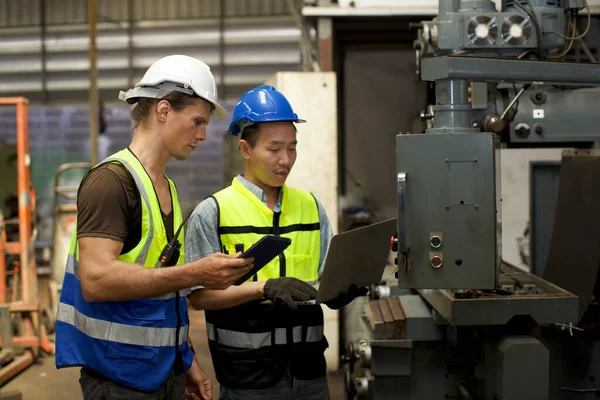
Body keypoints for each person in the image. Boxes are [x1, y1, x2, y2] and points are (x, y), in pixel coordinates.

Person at [54, 55, 255, 400]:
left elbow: (164, 291)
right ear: (163, 110)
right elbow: (96, 280)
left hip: (162, 373)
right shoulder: (111, 182)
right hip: (119, 378)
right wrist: (196, 273)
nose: (203, 135)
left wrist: (185, 358)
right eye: (196, 121)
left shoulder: (166, 188)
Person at [185, 85, 366, 400]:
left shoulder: (311, 207)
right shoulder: (213, 212)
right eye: (274, 149)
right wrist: (262, 288)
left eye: (293, 148)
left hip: (310, 374)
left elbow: (326, 278)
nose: (286, 159)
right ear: (245, 149)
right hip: (248, 379)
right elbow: (199, 298)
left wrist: (342, 289)